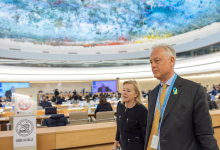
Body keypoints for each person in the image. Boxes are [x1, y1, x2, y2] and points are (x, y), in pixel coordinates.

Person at [144, 43, 218, 150]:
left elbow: (205, 133)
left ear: (172, 60)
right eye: (151, 62)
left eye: (157, 60)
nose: (153, 65)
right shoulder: (153, 94)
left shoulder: (193, 90)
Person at [113, 80, 148, 150]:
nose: (124, 93)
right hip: (123, 146)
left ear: (136, 94)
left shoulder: (142, 110)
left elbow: (146, 134)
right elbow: (119, 127)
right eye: (123, 90)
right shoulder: (120, 106)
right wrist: (115, 145)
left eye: (128, 91)